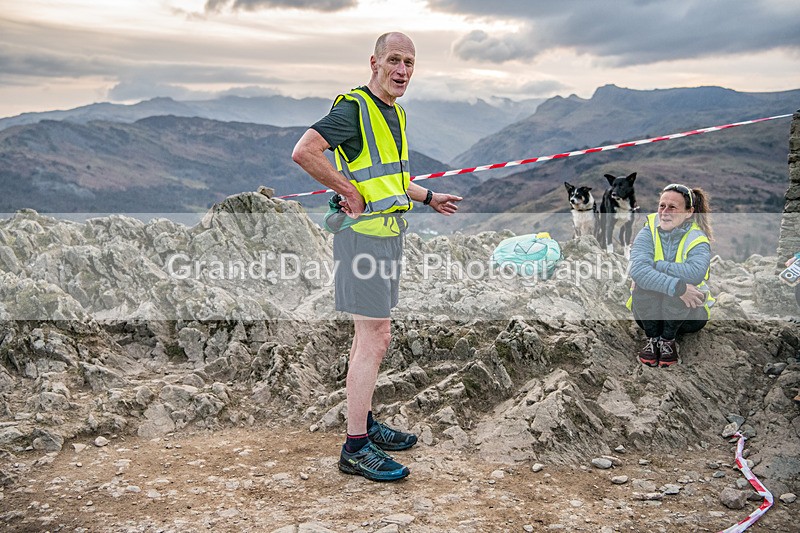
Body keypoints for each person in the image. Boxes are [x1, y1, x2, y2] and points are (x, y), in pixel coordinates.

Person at [291, 32, 462, 482]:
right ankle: (355, 447)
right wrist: (346, 190)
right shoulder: (355, 108)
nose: (402, 70)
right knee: (375, 336)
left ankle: (364, 424)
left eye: (409, 62)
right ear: (374, 62)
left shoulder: (394, 113)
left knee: (371, 335)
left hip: (386, 236)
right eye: (394, 60)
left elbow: (390, 178)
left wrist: (428, 197)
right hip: (361, 239)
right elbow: (304, 151)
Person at [627, 183, 715, 367]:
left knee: (675, 284)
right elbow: (637, 270)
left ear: (689, 212)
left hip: (689, 316)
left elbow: (695, 273)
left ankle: (668, 341)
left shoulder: (698, 238)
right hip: (648, 315)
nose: (665, 211)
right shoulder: (647, 231)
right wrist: (677, 287)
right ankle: (653, 340)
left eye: (673, 207)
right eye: (662, 205)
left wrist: (656, 265)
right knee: (645, 282)